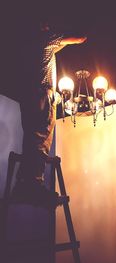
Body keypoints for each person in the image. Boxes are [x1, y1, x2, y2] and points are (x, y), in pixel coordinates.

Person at [11, 21, 87, 208]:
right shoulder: (45, 39)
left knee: (32, 136)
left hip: (30, 94)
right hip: (41, 94)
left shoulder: (32, 44)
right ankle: (33, 184)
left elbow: (58, 46)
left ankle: (23, 183)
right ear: (41, 26)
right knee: (41, 136)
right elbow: (78, 38)